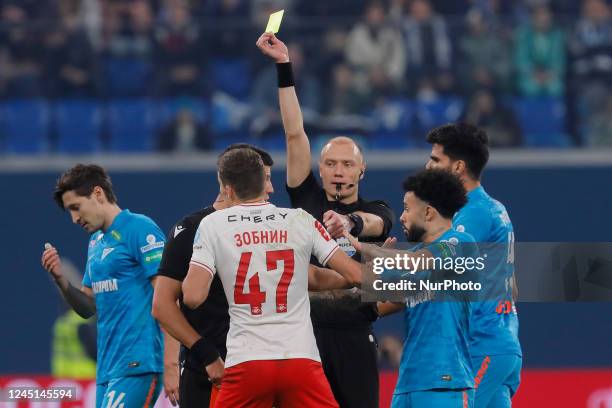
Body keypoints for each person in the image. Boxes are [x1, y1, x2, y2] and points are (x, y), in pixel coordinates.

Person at [256, 32, 395, 407]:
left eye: (347, 164)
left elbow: (377, 225)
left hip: (355, 336)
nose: (338, 171)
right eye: (331, 163)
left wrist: (351, 226)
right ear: (320, 167)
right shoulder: (306, 199)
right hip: (304, 338)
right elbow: (294, 133)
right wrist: (285, 68)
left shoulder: (379, 208)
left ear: (361, 171)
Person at [182, 148, 364, 407]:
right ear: (264, 181)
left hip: (247, 362)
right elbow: (355, 275)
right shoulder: (300, 219)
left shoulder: (213, 225)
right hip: (300, 360)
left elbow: (192, 297)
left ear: (227, 189)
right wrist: (407, 267)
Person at [152, 144, 276, 407]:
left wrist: (380, 271)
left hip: (277, 365)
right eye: (264, 178)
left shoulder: (283, 224)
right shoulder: (192, 229)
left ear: (362, 171)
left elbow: (316, 279)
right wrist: (205, 356)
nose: (270, 188)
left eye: (347, 164)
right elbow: (164, 304)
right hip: (210, 372)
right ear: (230, 183)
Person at [41, 164, 165, 408]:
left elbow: (167, 297)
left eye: (76, 208)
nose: (74, 219)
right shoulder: (96, 242)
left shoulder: (140, 229)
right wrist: (61, 280)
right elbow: (88, 307)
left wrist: (172, 363)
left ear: (98, 193)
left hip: (138, 365)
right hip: (108, 370)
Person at [350, 169, 476, 408]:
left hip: (445, 381)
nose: (402, 218)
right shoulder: (411, 257)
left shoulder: (461, 243)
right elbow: (376, 303)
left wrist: (370, 250)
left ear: (428, 212)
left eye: (407, 209)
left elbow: (417, 262)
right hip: (408, 383)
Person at [425, 123, 522, 407]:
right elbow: (512, 288)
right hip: (499, 345)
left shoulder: (473, 213)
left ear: (458, 168)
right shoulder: (493, 208)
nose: (427, 166)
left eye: (435, 159)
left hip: (483, 347)